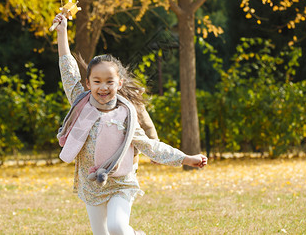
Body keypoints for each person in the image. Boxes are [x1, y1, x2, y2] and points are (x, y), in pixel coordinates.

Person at [54, 14, 207, 235]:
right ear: (88, 83)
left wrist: (186, 158)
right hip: (92, 183)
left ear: (120, 83)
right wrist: (62, 33)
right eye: (97, 81)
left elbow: (151, 146)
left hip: (121, 182)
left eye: (109, 82)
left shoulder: (126, 114)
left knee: (117, 228)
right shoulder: (81, 104)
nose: (103, 87)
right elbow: (68, 72)